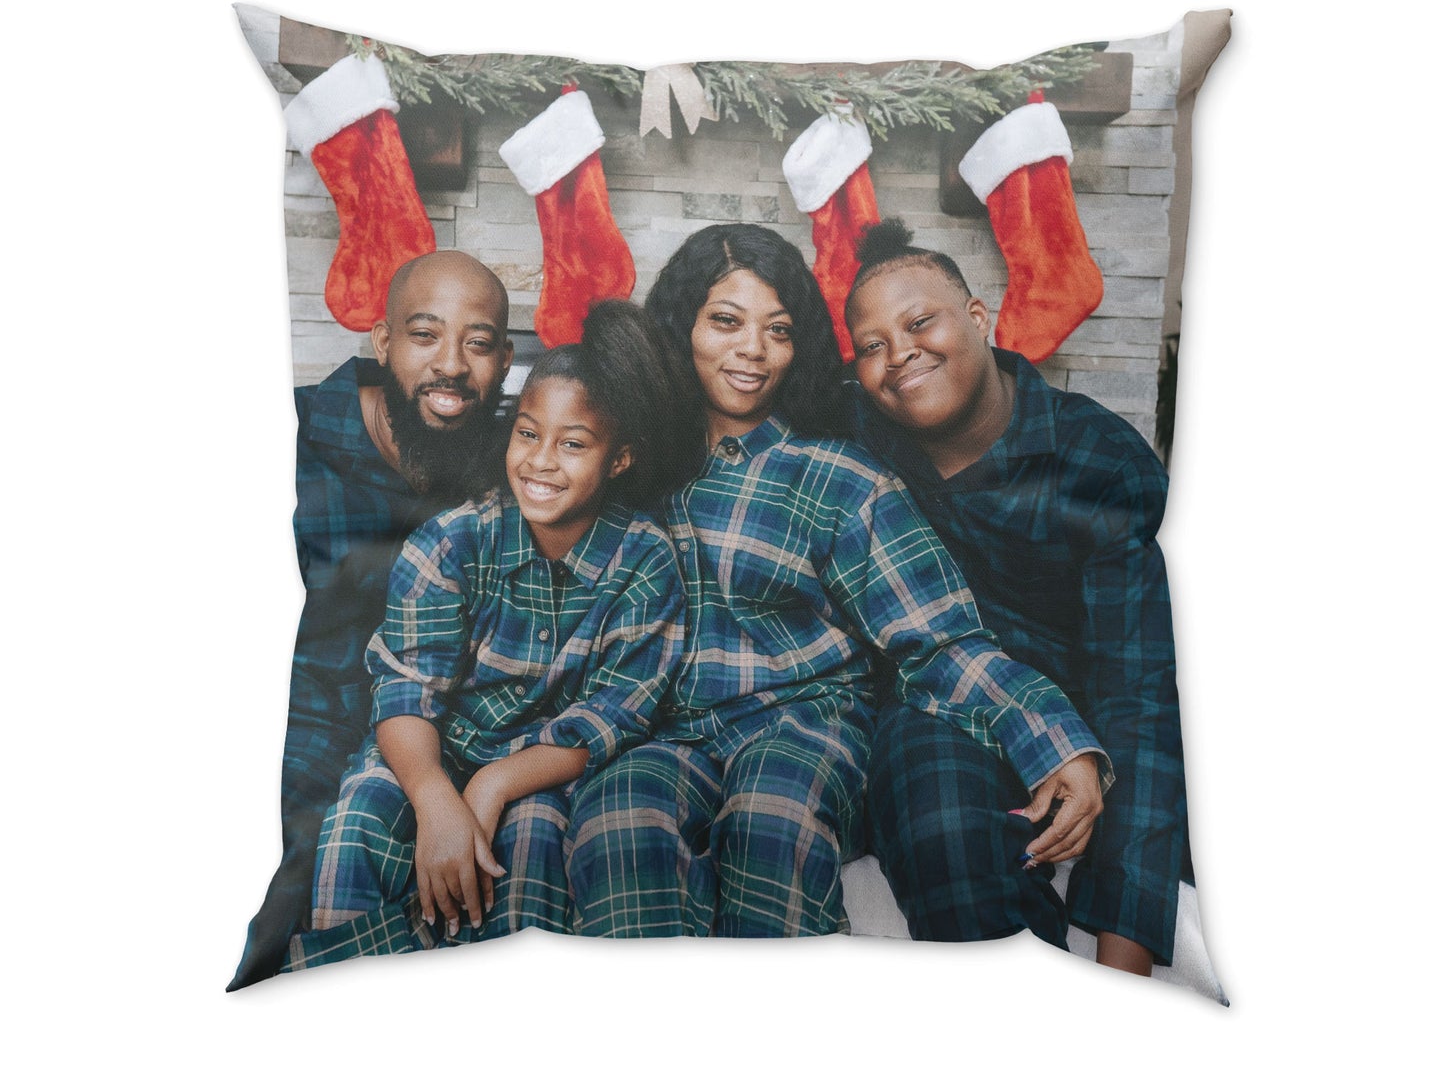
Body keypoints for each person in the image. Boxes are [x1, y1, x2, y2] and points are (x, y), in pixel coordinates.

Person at [564, 224, 1109, 941]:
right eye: (726, 321)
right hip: (666, 734)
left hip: (805, 727)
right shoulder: (632, 470)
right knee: (618, 816)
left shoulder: (840, 478)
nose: (753, 349)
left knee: (772, 820)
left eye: (778, 330)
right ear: (680, 327)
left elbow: (939, 641)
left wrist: (1056, 740)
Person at [285, 301, 690, 968]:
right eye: (527, 434)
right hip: (427, 752)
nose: (541, 461)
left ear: (618, 460)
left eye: (573, 444)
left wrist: (493, 784)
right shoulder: (452, 541)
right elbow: (405, 691)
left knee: (527, 847)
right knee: (360, 816)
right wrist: (436, 798)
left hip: (541, 768)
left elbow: (612, 716)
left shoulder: (645, 558)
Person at [845, 217, 1188, 975]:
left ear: (977, 317)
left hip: (1081, 713)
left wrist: (1125, 963)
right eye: (871, 345)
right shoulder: (862, 435)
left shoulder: (1096, 458)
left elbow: (1137, 691)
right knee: (933, 803)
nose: (898, 355)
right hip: (938, 703)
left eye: (919, 323)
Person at [230, 249, 514, 988]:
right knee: (287, 898)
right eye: (425, 335)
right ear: (383, 342)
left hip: (442, 725)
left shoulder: (518, 457)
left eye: (478, 343)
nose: (451, 365)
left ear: (505, 362)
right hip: (306, 718)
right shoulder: (291, 431)